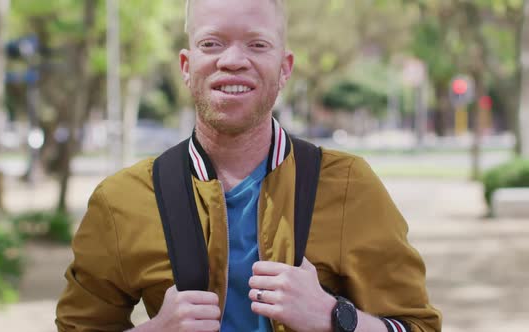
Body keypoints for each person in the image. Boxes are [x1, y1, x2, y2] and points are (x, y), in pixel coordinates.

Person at [55, 0, 442, 331]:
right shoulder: (119, 201)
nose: (234, 60)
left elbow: (418, 326)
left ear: (285, 67)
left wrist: (333, 316)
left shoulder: (348, 185)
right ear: (186, 66)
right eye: (212, 43)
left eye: (257, 44)